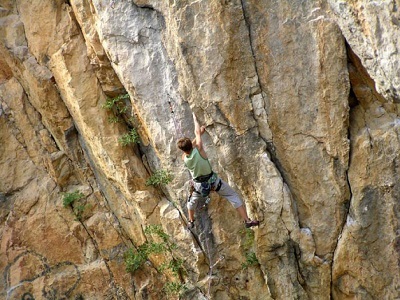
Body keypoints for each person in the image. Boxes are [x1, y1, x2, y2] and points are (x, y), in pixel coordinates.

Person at [177, 113, 260, 229]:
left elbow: (193, 143)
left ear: (183, 150)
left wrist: (199, 134)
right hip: (214, 182)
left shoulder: (184, 158)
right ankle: (247, 220)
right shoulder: (199, 150)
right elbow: (196, 134)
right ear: (192, 145)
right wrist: (195, 118)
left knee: (190, 203)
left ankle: (191, 221)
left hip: (198, 186)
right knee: (233, 195)